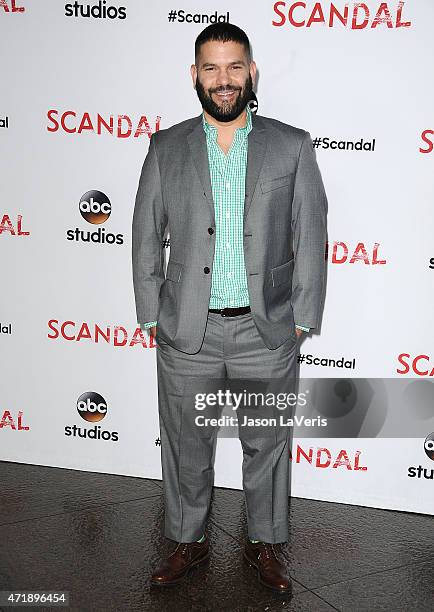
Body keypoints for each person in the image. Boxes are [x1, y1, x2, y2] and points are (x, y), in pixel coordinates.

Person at [132, 22, 328, 593]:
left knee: (266, 444)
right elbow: (147, 233)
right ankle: (187, 542)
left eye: (235, 67)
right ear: (194, 76)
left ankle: (264, 545)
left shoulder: (291, 145)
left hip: (265, 333)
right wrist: (152, 313)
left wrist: (301, 316)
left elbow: (309, 233)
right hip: (186, 332)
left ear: (252, 72)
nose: (224, 80)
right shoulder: (165, 147)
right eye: (211, 68)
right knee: (185, 445)